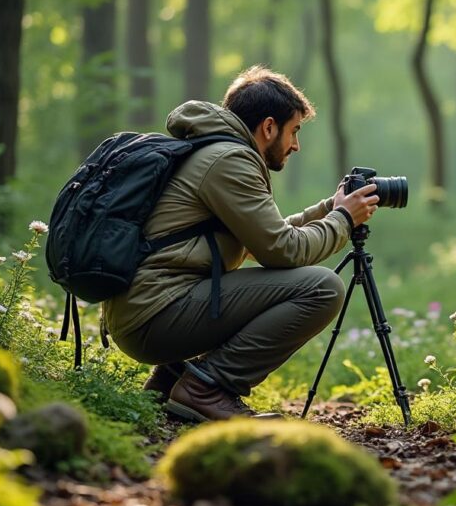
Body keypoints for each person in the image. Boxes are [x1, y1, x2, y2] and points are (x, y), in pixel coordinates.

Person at [101, 66, 379, 422]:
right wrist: (343, 220)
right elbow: (283, 249)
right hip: (155, 315)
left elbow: (263, 236)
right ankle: (206, 389)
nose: (295, 144)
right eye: (294, 131)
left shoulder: (212, 149)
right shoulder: (229, 160)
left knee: (304, 284)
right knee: (323, 289)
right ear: (268, 127)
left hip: (148, 310)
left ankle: (171, 382)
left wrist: (330, 208)